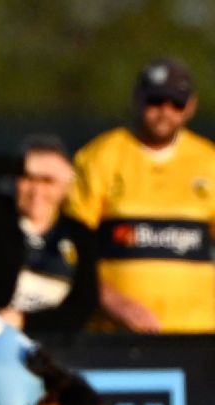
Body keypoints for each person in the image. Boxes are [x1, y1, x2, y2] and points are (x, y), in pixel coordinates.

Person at [64, 57, 215, 333]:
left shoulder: (209, 162)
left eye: (177, 103)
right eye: (155, 101)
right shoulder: (99, 157)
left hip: (197, 334)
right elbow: (68, 246)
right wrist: (112, 300)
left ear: (191, 106)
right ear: (137, 99)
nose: (165, 112)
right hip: (116, 335)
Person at [0, 135, 98, 333]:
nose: (37, 191)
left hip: (42, 347)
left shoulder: (79, 235)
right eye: (28, 178)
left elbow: (82, 307)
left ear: (64, 186)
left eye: (48, 180)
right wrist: (24, 163)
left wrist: (24, 321)